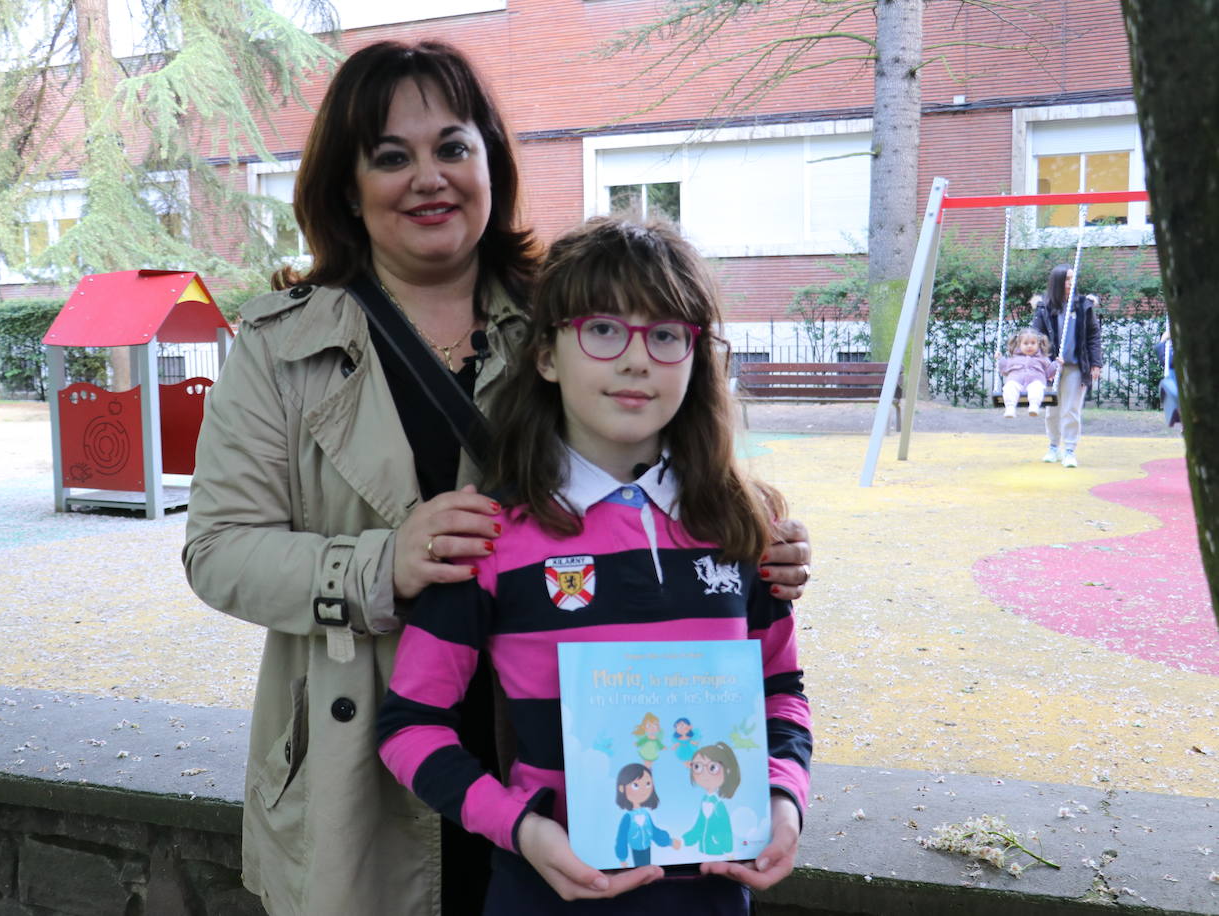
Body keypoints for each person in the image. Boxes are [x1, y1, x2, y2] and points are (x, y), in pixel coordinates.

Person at [183, 41, 814, 916]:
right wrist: (382, 564)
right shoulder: (278, 346)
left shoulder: (571, 311)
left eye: (452, 147)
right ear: (346, 185)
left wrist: (757, 534)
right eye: (391, 156)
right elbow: (218, 553)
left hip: (567, 754)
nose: (428, 178)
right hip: (370, 742)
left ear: (491, 161)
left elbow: (671, 447)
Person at [377, 218, 812, 915]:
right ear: (547, 354)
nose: (637, 359)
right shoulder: (489, 538)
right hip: (544, 895)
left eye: (666, 334)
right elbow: (409, 728)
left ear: (696, 357)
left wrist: (786, 800)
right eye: (604, 329)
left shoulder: (741, 529)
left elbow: (782, 693)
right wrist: (519, 827)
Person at [1031, 264, 1102, 468]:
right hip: (1051, 366)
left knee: (1071, 409)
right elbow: (1037, 337)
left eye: (1073, 278)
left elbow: (1093, 335)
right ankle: (1053, 446)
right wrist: (1045, 365)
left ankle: (1069, 449)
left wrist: (1095, 363)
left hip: (1076, 366)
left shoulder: (1082, 306)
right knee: (1052, 409)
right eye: (1067, 279)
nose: (1071, 282)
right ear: (1058, 282)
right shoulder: (1045, 308)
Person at [613, 764, 680, 867]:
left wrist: (669, 842)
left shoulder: (646, 814)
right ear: (622, 788)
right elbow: (622, 838)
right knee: (640, 871)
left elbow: (654, 832)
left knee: (648, 869)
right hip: (636, 850)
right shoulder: (628, 818)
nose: (644, 790)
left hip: (647, 848)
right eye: (636, 785)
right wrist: (622, 858)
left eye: (648, 784)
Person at [997, 327, 1056, 419]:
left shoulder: (1043, 359)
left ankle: (1034, 406)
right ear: (1019, 344)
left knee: (1037, 387)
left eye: (1033, 343)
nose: (1029, 346)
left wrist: (1057, 365)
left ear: (1038, 344)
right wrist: (1000, 359)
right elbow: (1004, 369)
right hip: (1016, 382)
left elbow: (1049, 373)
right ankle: (1010, 407)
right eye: (1025, 343)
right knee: (1009, 387)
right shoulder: (1013, 358)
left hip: (1035, 382)